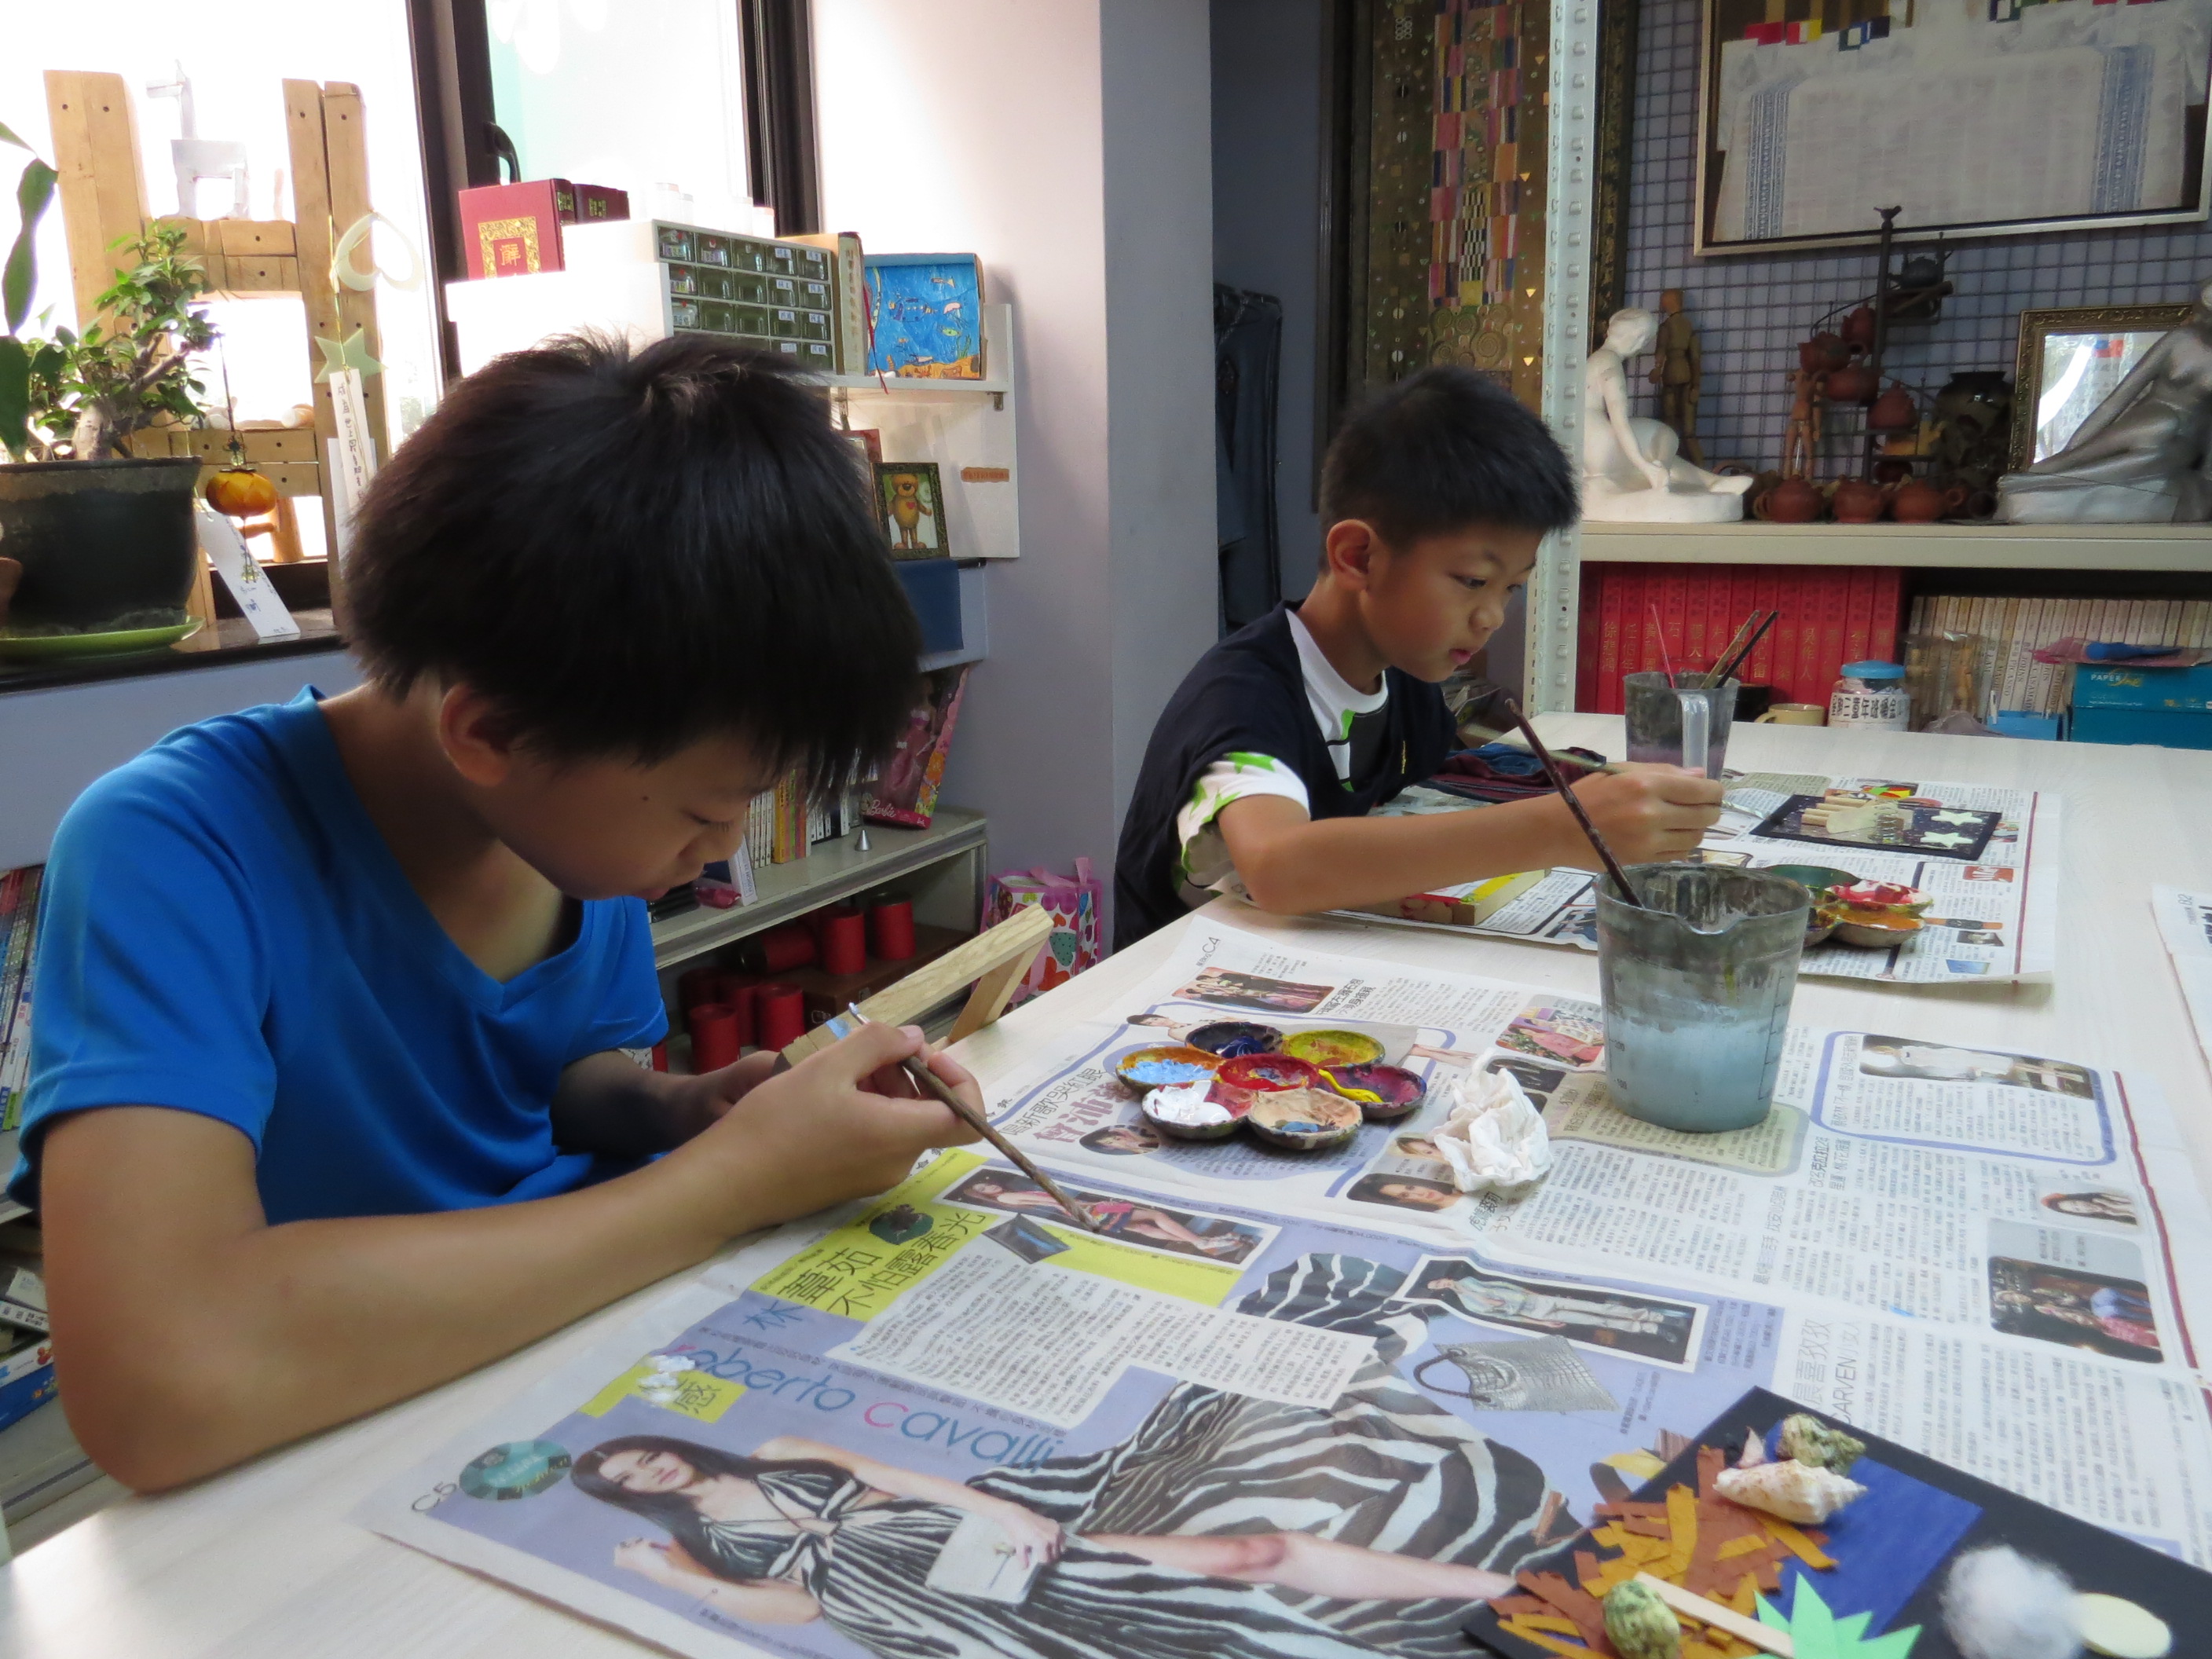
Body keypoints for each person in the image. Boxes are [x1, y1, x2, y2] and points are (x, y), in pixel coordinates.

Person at [16, 336, 987, 1490]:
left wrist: (681, 1109)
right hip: (324, 1446)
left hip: (559, 1370)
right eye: (705, 810)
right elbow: (156, 1381)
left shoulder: (561, 826)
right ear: (490, 733)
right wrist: (733, 1183)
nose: (719, 849)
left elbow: (554, 1081)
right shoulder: (174, 848)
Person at [1114, 368, 1724, 948]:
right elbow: (1279, 868)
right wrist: (1563, 829)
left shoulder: (1405, 689)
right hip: (1165, 992)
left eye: (1511, 588)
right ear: (1359, 557)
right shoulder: (1245, 697)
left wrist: (1588, 789)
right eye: (1473, 581)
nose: (1492, 616)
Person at [575, 1432, 1518, 1657]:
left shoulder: (778, 1453)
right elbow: (799, 1607)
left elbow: (894, 1478)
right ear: (631, 1500)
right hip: (929, 1620)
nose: (649, 1472)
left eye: (643, 1455)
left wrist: (1011, 1515)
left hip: (971, 1543)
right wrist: (674, 1579)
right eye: (629, 1481)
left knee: (1249, 1555)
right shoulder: (695, 1543)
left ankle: (1504, 1587)